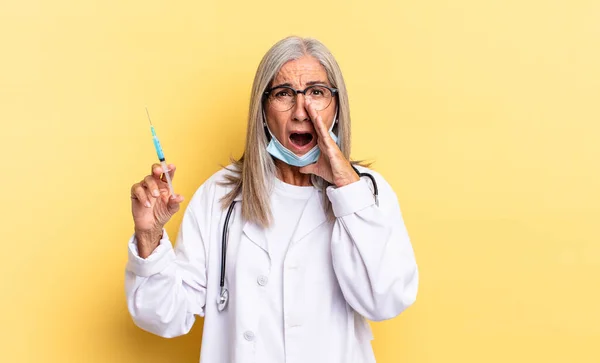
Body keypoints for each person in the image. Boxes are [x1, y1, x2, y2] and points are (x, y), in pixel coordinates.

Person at [126, 36, 418, 363]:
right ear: (262, 110)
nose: (301, 111)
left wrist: (347, 185)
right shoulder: (220, 195)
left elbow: (387, 300)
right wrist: (149, 235)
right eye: (283, 94)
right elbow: (164, 316)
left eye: (317, 92)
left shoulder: (367, 193)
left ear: (337, 105)